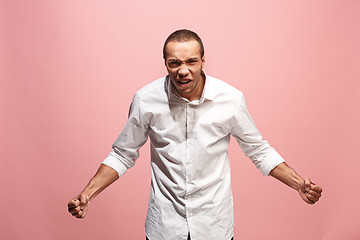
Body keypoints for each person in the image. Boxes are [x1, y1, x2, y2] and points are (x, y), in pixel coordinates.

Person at [67, 29, 322, 240]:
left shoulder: (230, 99)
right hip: (163, 227)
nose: (183, 70)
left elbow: (259, 150)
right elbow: (123, 154)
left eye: (191, 61)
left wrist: (297, 182)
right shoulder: (146, 99)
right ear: (166, 64)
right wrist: (89, 193)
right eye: (174, 63)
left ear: (203, 61)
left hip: (214, 226)